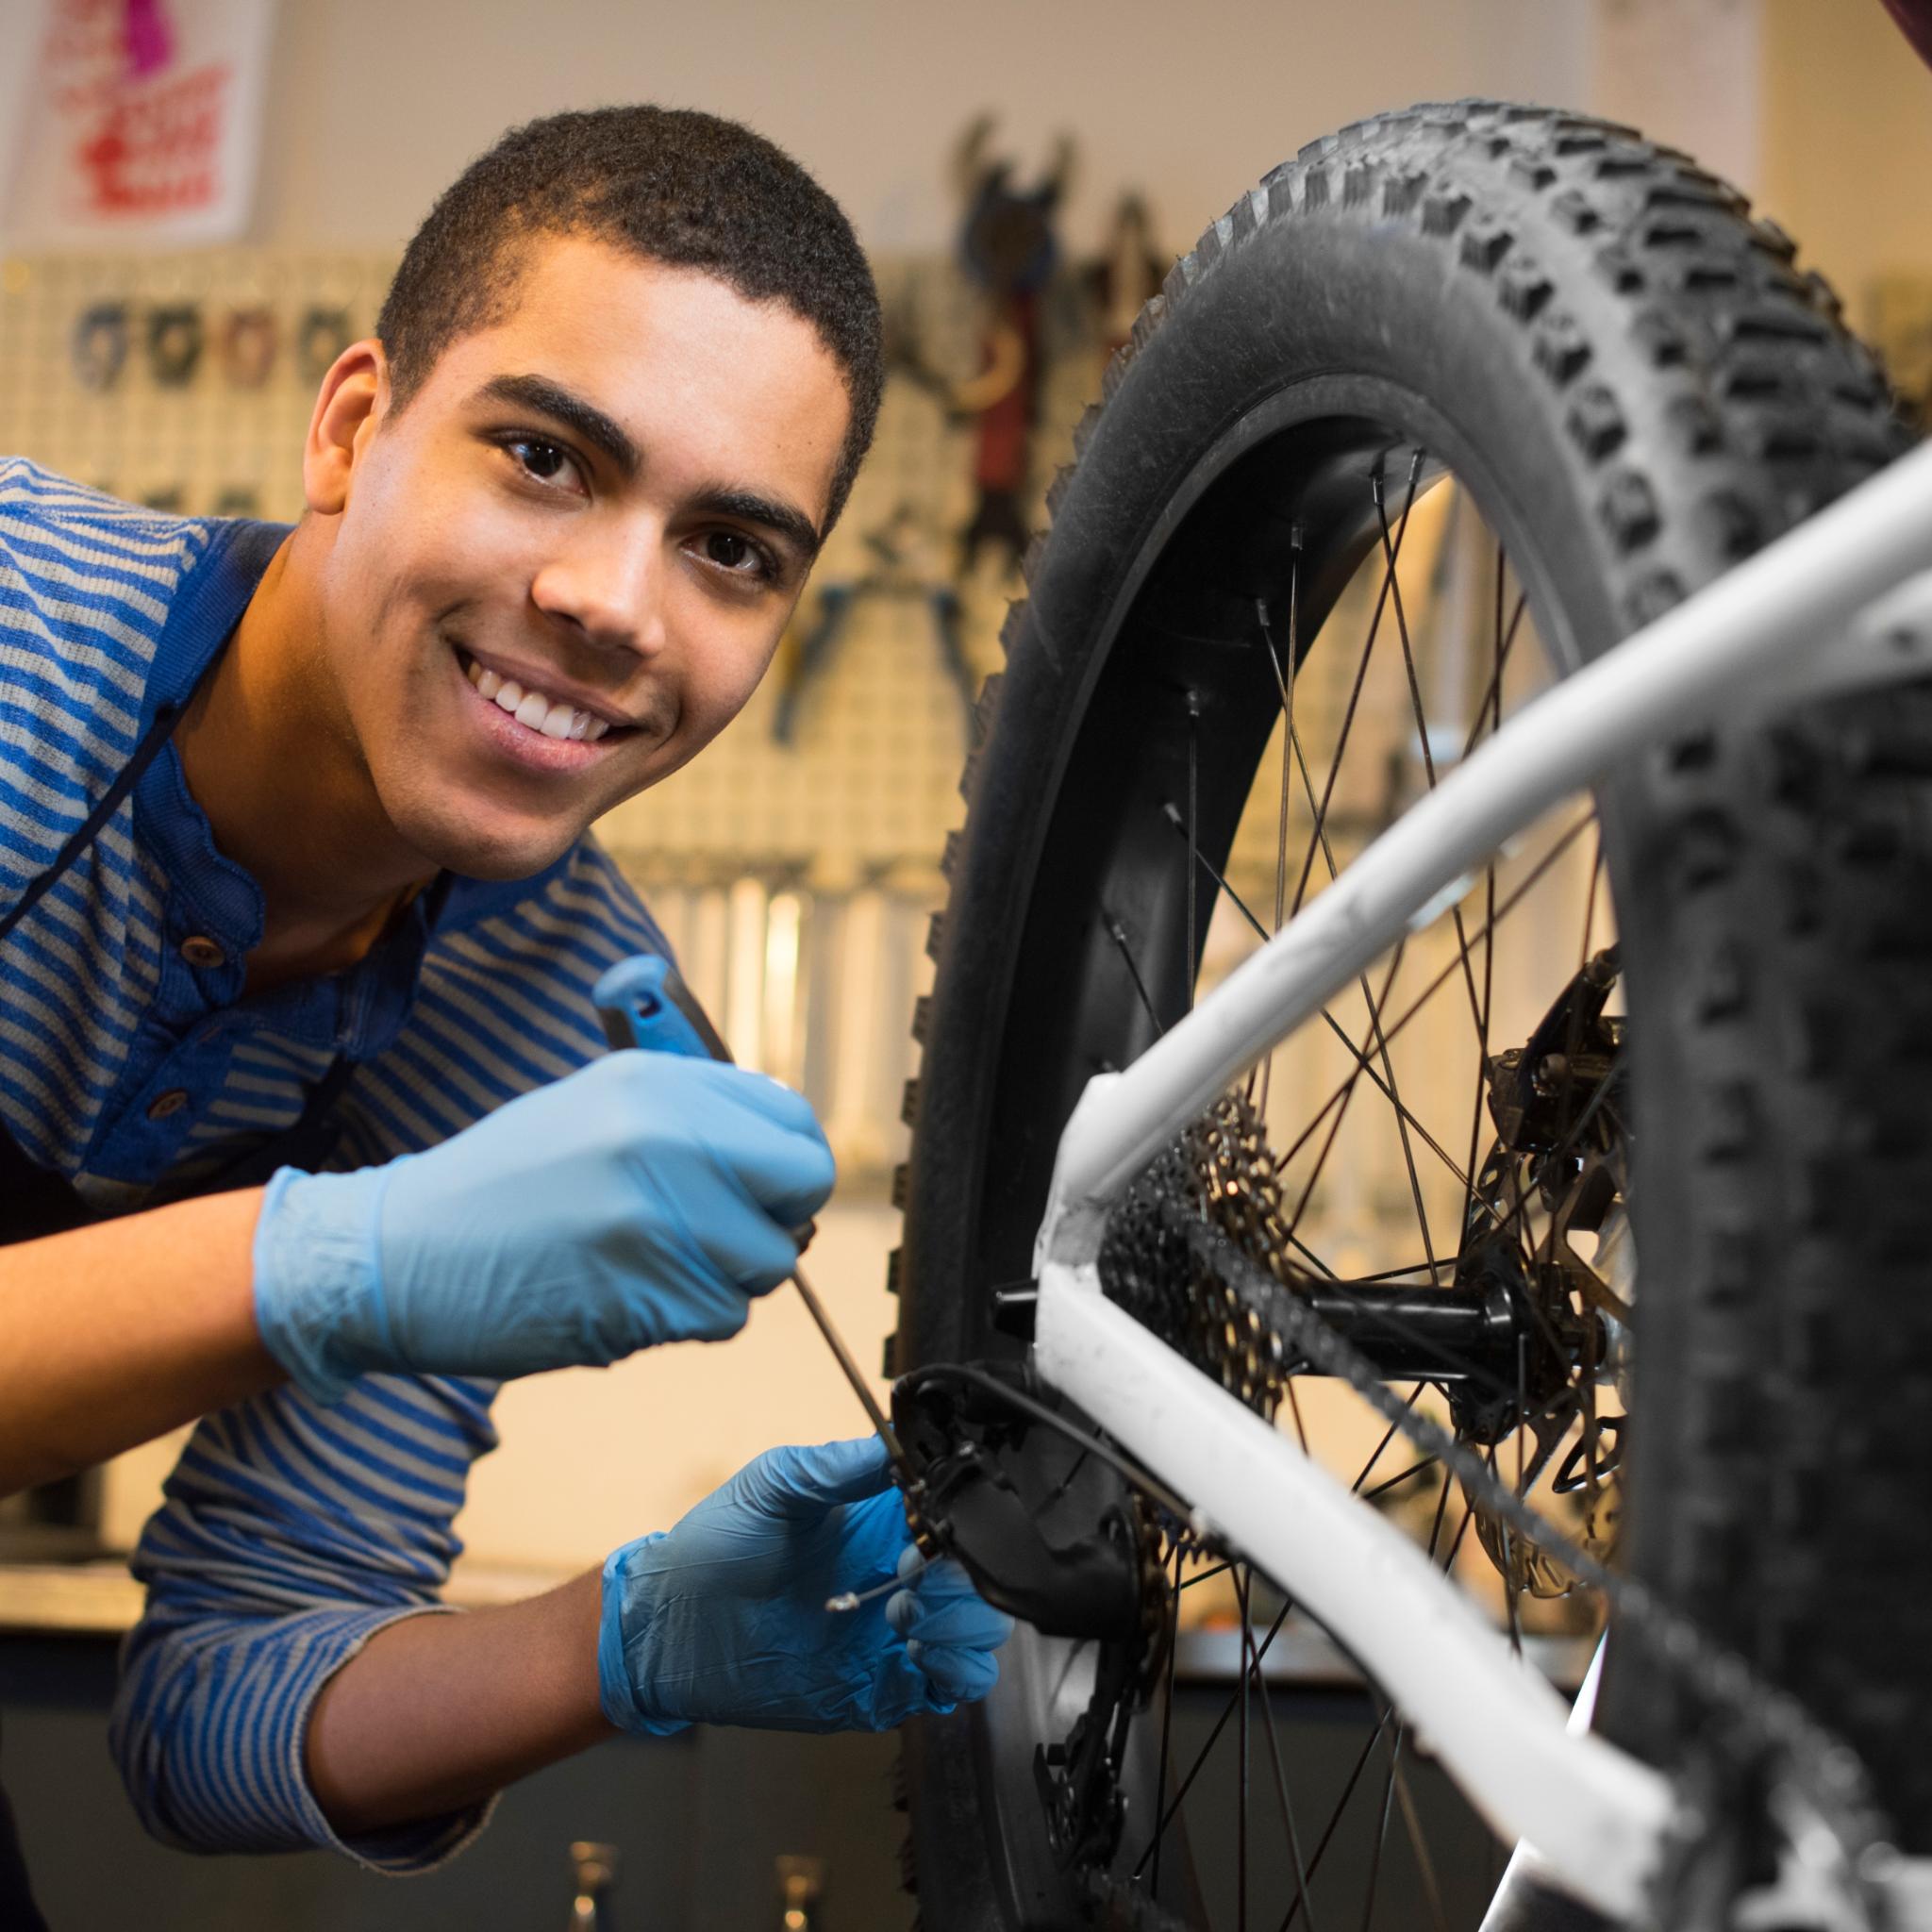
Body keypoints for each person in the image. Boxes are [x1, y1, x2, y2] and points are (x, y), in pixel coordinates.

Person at [0, 106, 1008, 1914]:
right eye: (544, 455)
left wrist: (617, 1644)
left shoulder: (543, 1024)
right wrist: (331, 1264)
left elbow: (209, 1713)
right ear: (350, 424)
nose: (612, 603)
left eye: (731, 550)